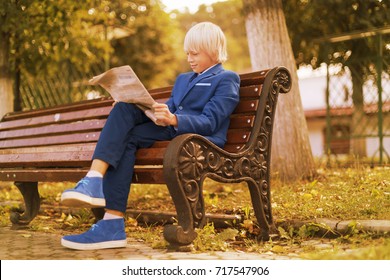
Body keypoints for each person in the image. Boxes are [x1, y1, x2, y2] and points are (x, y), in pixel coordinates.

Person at [60, 21, 240, 250]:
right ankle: (106, 209)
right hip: (171, 131)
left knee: (126, 134)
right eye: (187, 53)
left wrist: (175, 119)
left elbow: (211, 121)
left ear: (214, 51)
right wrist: (140, 103)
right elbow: (170, 106)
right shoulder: (183, 79)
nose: (189, 58)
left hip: (198, 140)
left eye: (195, 53)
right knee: (124, 110)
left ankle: (105, 210)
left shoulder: (227, 79)